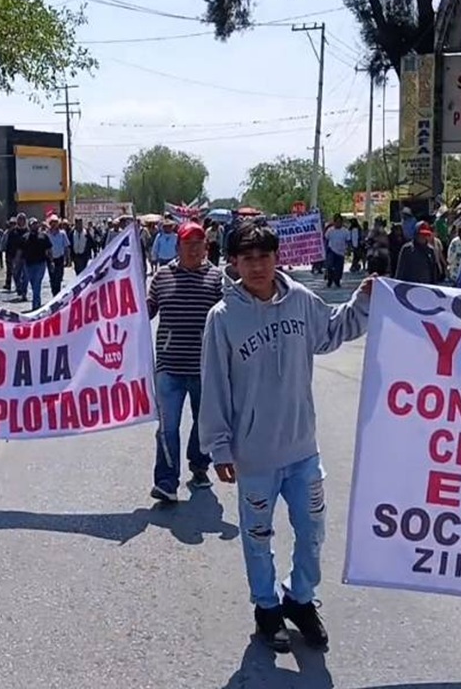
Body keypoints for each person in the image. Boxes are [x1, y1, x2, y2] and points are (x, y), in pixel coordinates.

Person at [200, 221, 373, 654]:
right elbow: (215, 386)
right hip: (253, 454)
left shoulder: (301, 301)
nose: (257, 266)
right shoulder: (222, 318)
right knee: (258, 539)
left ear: (277, 258)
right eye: (247, 259)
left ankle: (299, 600)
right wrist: (219, 446)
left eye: (264, 257)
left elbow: (334, 331)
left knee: (313, 530)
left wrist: (364, 300)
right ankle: (267, 609)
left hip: (302, 449)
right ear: (234, 263)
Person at [146, 221, 224, 503]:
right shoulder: (162, 277)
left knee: (204, 423)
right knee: (167, 428)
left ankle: (199, 465)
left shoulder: (217, 279)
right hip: (169, 367)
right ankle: (166, 481)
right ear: (177, 247)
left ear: (206, 247)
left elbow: (229, 320)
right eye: (188, 244)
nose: (193, 250)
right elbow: (147, 311)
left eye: (198, 244)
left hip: (205, 368)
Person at [21, 218, 53, 310]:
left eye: (35, 224)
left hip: (40, 264)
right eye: (32, 224)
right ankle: (37, 302)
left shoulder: (44, 236)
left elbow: (49, 250)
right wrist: (17, 263)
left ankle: (36, 305)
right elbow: (21, 251)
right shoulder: (25, 237)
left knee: (37, 283)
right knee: (33, 284)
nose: (34, 226)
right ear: (29, 226)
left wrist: (51, 262)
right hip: (28, 265)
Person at [4, 213, 30, 299]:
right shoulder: (12, 232)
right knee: (15, 274)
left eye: (23, 219)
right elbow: (9, 245)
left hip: (26, 257)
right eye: (20, 219)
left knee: (26, 276)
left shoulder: (28, 231)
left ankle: (24, 292)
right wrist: (9, 257)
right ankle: (19, 288)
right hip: (15, 257)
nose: (21, 221)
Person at [45, 215, 71, 295]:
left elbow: (66, 246)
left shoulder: (62, 234)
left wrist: (68, 259)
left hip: (60, 258)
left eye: (56, 222)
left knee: (59, 277)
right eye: (52, 222)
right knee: (52, 278)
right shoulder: (47, 234)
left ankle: (57, 294)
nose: (54, 224)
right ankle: (54, 293)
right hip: (50, 259)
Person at [322, 216, 350, 288]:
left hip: (341, 252)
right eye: (337, 222)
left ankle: (337, 281)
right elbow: (326, 239)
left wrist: (349, 250)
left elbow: (348, 241)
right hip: (331, 250)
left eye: (340, 222)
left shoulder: (345, 231)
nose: (338, 223)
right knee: (330, 266)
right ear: (334, 222)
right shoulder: (330, 230)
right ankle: (329, 280)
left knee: (339, 268)